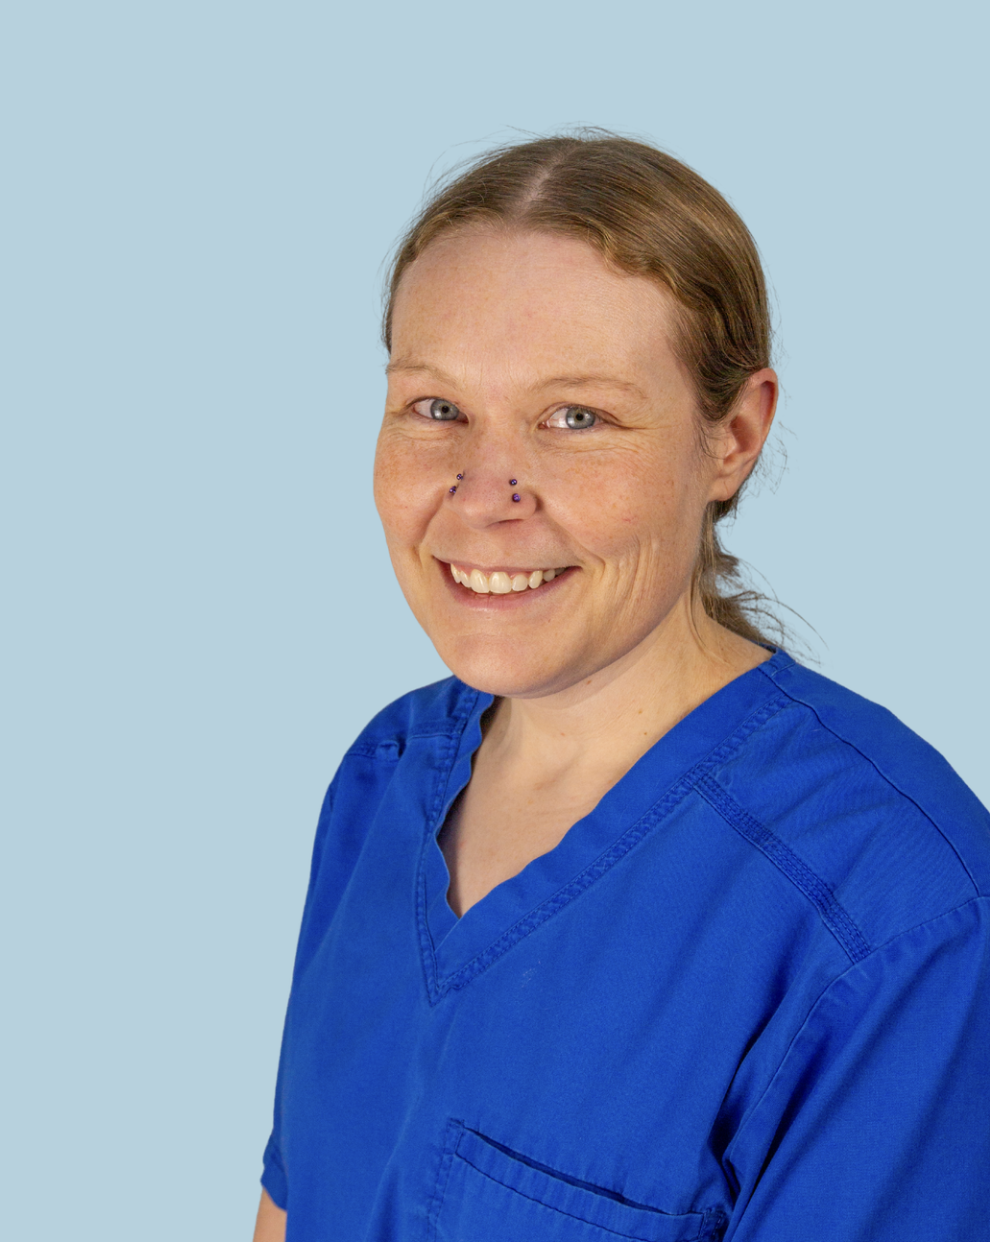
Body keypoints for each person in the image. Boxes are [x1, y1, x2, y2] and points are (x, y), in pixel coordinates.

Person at [252, 133, 990, 1242]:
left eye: (576, 418)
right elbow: (295, 1206)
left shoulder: (896, 914)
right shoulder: (384, 781)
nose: (483, 495)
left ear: (732, 437)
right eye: (436, 408)